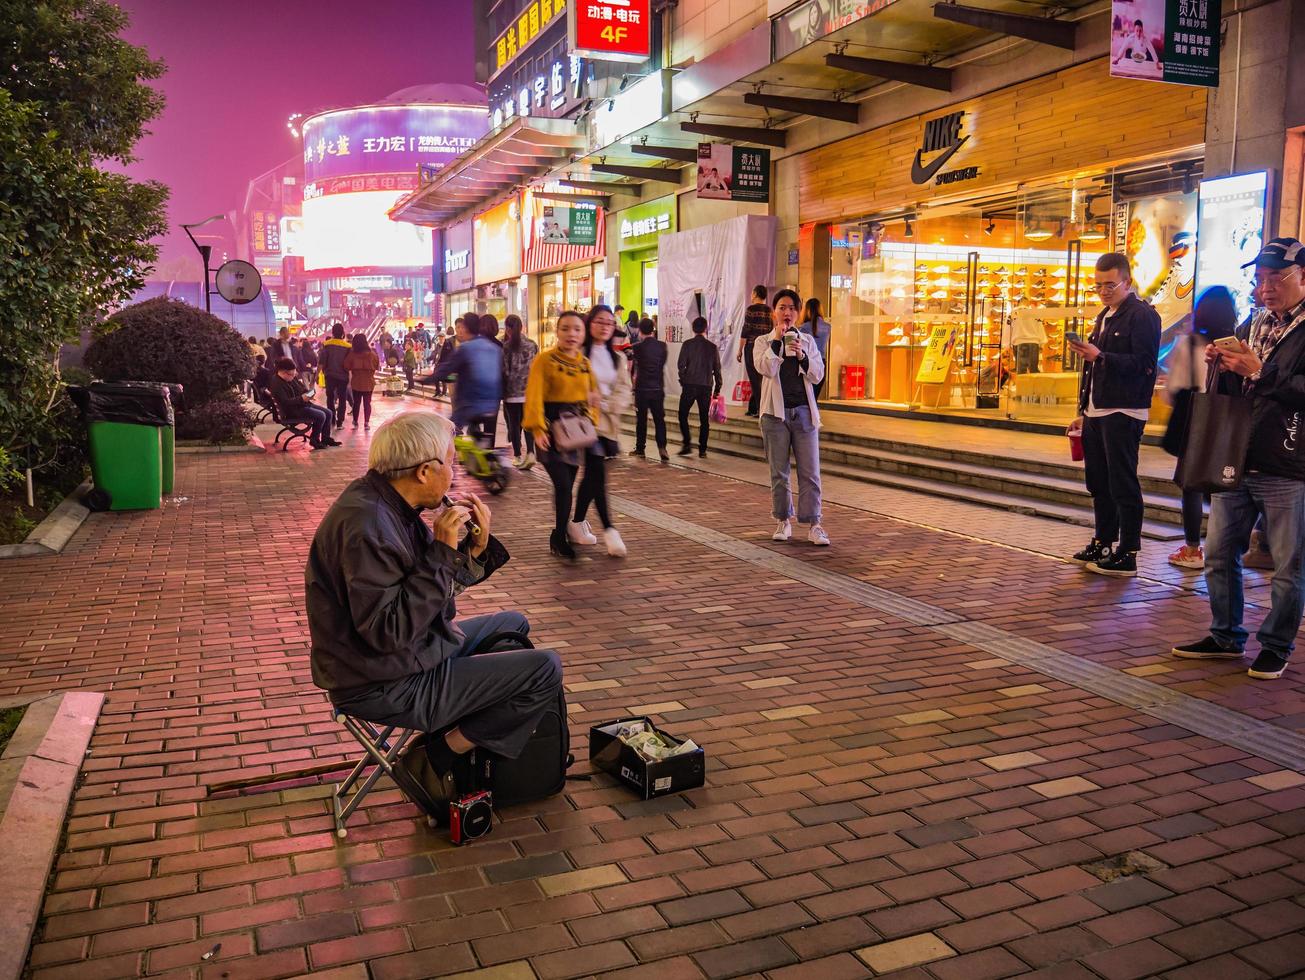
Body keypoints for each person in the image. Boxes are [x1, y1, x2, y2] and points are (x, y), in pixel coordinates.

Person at [306, 411, 563, 807]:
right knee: (545, 669)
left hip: (400, 655)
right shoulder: (368, 526)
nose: (456, 473)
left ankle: (471, 730)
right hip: (381, 680)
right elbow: (388, 631)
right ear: (425, 471)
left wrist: (471, 553)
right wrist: (442, 553)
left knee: (513, 623)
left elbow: (425, 597)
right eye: (452, 462)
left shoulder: (388, 504)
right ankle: (438, 753)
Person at [1172, 238, 1305, 680]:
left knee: (1288, 566)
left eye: (1277, 277)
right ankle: (1226, 635)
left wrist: (1260, 372)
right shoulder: (1254, 323)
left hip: (1289, 464)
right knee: (1217, 552)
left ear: (1302, 276)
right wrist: (1222, 364)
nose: (1265, 287)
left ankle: (1276, 644)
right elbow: (1239, 392)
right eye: (1260, 278)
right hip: (1238, 458)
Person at [1067, 253, 1161, 578]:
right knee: (1099, 482)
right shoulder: (1105, 315)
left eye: (1110, 285)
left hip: (1124, 409)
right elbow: (1093, 367)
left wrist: (1101, 356)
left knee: (1123, 482)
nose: (1103, 291)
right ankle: (1103, 541)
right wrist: (1083, 411)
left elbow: (1146, 364)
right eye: (1098, 285)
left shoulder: (1143, 315)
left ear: (1127, 282)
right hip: (1097, 409)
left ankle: (1128, 551)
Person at [1165, 286, 1237, 570]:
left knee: (1191, 486)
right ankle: (1226, 545)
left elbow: (1173, 389)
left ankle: (1193, 549)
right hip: (1225, 420)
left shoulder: (1190, 343)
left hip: (1194, 420)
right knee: (1221, 485)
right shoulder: (1234, 344)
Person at [523, 311, 602, 560]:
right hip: (550, 430)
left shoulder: (584, 364)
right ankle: (559, 535)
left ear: (583, 333)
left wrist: (591, 419)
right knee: (564, 485)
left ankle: (559, 534)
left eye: (577, 329)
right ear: (557, 331)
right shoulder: (544, 361)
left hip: (574, 433)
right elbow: (533, 394)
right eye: (566, 328)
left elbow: (594, 397)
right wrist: (537, 428)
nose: (572, 334)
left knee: (566, 486)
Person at [756, 289, 829, 546]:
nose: (787, 313)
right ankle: (783, 520)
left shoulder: (807, 341)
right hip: (774, 414)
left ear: (798, 313)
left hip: (804, 413)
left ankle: (815, 524)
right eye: (782, 307)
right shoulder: (763, 342)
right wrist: (777, 341)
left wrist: (802, 356)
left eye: (792, 308)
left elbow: (818, 375)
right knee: (779, 472)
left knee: (810, 472)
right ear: (774, 311)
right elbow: (765, 368)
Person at [570, 306, 630, 556]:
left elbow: (625, 389)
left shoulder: (618, 358)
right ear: (589, 323)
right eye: (599, 321)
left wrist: (608, 404)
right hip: (582, 422)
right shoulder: (577, 354)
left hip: (607, 424)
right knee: (597, 471)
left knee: (592, 477)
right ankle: (610, 530)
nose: (605, 326)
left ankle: (576, 523)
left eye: (609, 322)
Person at [432, 312, 502, 446]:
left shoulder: (466, 348)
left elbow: (446, 369)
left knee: (448, 430)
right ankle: (486, 458)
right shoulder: (494, 348)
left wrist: (427, 379)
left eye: (462, 326)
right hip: (491, 403)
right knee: (479, 436)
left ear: (467, 328)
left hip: (470, 405)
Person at [269, 357, 338, 450]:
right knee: (321, 415)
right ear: (283, 372)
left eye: (294, 374)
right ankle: (314, 440)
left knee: (329, 413)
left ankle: (326, 438)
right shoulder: (276, 383)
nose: (294, 376)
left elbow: (301, 389)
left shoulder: (291, 378)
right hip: (292, 411)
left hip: (302, 405)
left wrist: (310, 393)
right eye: (292, 374)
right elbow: (285, 402)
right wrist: (302, 399)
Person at [677, 316, 722, 458]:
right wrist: (717, 389)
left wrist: (684, 380)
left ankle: (687, 443)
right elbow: (717, 370)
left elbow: (680, 365)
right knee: (704, 419)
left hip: (689, 386)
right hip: (705, 387)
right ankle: (702, 450)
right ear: (706, 329)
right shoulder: (712, 347)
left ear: (693, 328)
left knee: (682, 414)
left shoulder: (687, 344)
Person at [501, 314, 539, 469]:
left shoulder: (506, 347)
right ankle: (530, 452)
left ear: (508, 329)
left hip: (511, 393)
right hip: (529, 392)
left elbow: (504, 371)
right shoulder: (532, 345)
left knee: (515, 425)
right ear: (521, 327)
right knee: (528, 423)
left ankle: (517, 456)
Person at [629, 317, 669, 462]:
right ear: (653, 329)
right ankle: (662, 447)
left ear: (640, 331)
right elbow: (662, 363)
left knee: (641, 419)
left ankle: (640, 449)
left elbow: (634, 369)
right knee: (660, 420)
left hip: (642, 389)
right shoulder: (662, 346)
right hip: (657, 388)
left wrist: (633, 387)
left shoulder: (637, 347)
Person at [741, 285, 772, 417]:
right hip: (765, 348)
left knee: (754, 379)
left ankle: (761, 410)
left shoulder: (751, 310)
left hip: (752, 346)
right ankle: (753, 407)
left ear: (754, 294)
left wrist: (739, 350)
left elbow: (745, 330)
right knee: (760, 378)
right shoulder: (770, 311)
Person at [319, 322, 353, 429]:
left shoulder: (326, 344)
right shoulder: (348, 346)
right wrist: (350, 379)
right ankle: (340, 422)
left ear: (332, 332)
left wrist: (316, 375)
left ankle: (332, 419)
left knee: (330, 398)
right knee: (342, 399)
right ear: (343, 333)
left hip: (329, 375)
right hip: (343, 376)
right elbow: (349, 364)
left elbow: (321, 361)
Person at [344, 333, 380, 430]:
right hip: (369, 382)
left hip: (356, 382)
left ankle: (355, 421)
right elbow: (377, 365)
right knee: (367, 403)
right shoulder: (372, 354)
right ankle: (366, 422)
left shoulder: (352, 354)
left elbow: (346, 366)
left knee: (356, 403)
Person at [799, 298, 833, 400]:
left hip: (807, 362)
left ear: (807, 310)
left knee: (806, 398)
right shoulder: (828, 327)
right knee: (814, 398)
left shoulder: (804, 327)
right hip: (821, 363)